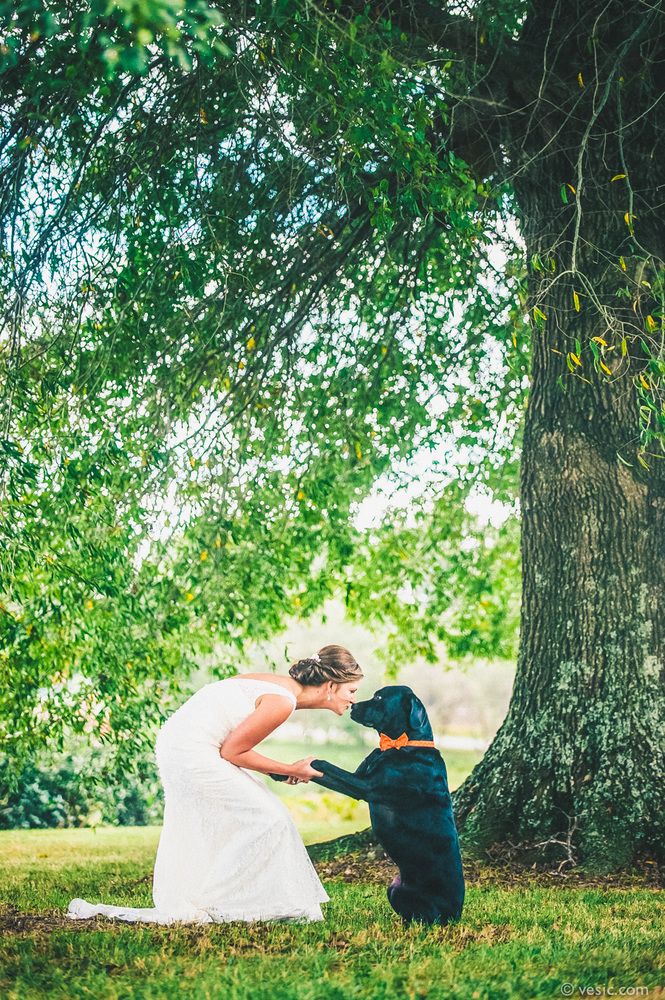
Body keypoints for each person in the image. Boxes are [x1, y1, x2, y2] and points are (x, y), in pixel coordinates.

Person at [67, 644, 362, 924]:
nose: (353, 699)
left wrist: (280, 772)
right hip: (193, 750)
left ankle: (225, 897)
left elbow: (231, 737)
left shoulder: (279, 686)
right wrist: (288, 768)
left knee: (264, 815)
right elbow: (232, 752)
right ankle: (218, 901)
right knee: (269, 819)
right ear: (331, 686)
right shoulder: (283, 702)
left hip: (179, 742)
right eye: (351, 691)